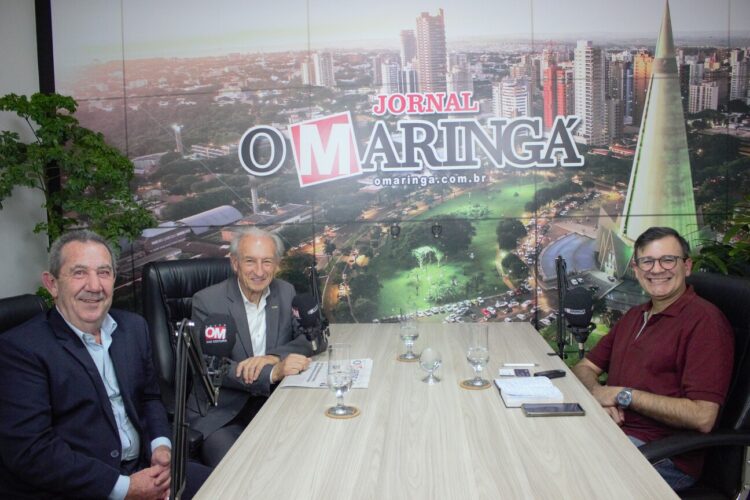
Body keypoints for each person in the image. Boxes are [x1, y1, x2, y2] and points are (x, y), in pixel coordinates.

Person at [0, 230, 211, 499]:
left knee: (236, 485)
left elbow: (149, 397)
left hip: (146, 468)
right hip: (82, 487)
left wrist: (160, 446)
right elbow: (32, 450)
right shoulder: (20, 348)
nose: (94, 285)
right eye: (79, 273)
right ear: (52, 284)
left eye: (103, 272)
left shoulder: (133, 328)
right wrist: (125, 488)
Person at [572, 226, 734, 491]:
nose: (657, 269)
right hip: (613, 433)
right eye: (647, 261)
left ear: (687, 266)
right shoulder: (635, 316)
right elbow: (584, 367)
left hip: (662, 456)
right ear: (636, 270)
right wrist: (598, 393)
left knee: (566, 476)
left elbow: (703, 416)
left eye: (668, 260)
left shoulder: (705, 323)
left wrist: (623, 395)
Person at [189, 226, 324, 467]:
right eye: (250, 261)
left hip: (276, 402)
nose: (259, 271)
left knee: (306, 455)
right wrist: (272, 372)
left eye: (267, 262)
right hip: (223, 414)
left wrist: (273, 357)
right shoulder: (207, 301)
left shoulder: (285, 292)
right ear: (235, 263)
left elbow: (310, 338)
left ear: (277, 264)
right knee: (236, 472)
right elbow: (210, 367)